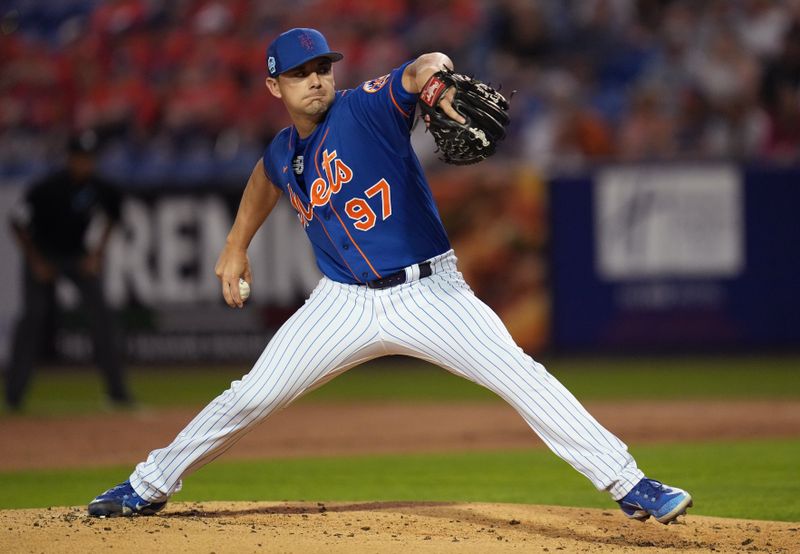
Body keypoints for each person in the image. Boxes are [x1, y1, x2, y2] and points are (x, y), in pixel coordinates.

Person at [88, 28, 692, 524]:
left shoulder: (367, 108)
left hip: (431, 292)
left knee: (520, 375)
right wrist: (234, 247)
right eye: (301, 72)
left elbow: (422, 65)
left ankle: (630, 483)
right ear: (274, 85)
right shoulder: (281, 150)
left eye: (323, 66)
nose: (318, 78)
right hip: (342, 303)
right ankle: (148, 484)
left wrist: (436, 83)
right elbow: (263, 180)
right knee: (249, 394)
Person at [4, 131, 133, 411]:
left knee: (102, 315)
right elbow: (16, 221)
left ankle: (118, 393)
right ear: (70, 159)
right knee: (33, 318)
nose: (85, 164)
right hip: (44, 254)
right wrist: (36, 261)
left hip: (76, 256)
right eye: (80, 159)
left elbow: (114, 217)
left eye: (90, 159)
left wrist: (97, 255)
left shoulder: (101, 187)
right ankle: (14, 396)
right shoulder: (48, 187)